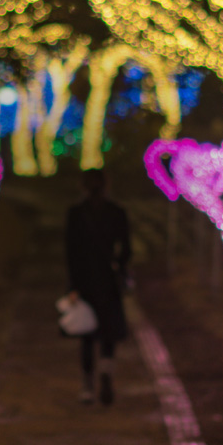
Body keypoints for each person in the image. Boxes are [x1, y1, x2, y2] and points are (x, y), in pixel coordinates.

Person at [65, 167, 131, 405]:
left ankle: (87, 384)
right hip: (108, 280)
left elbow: (71, 252)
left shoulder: (76, 214)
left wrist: (72, 285)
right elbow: (126, 249)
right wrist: (119, 269)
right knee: (108, 332)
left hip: (84, 282)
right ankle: (106, 372)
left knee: (86, 334)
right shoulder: (117, 213)